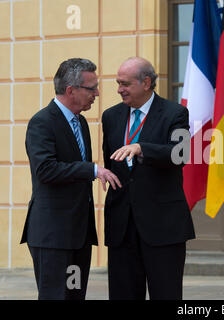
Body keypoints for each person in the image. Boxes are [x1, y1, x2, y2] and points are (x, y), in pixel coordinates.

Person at [21, 58, 121, 300]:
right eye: (91, 88)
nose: (97, 93)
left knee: (75, 295)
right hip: (53, 236)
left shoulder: (81, 122)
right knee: (56, 296)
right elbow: (45, 170)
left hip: (78, 234)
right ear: (70, 90)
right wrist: (92, 170)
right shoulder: (42, 122)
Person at [102, 57, 195, 300]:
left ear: (146, 83)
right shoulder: (110, 116)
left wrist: (142, 148)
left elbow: (181, 154)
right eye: (118, 83)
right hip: (122, 226)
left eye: (125, 83)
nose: (119, 89)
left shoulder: (175, 113)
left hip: (163, 226)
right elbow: (110, 160)